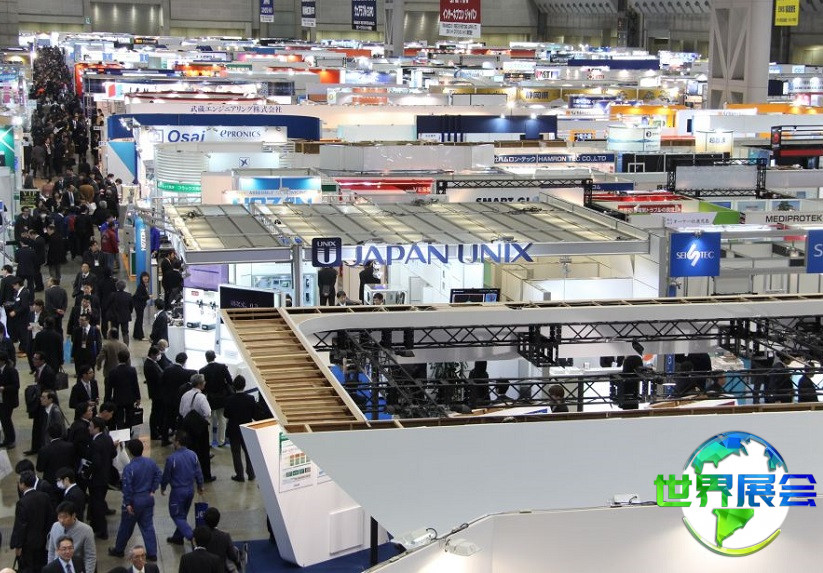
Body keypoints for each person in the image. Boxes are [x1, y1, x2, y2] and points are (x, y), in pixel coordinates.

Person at [109, 439, 162, 561]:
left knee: (126, 527)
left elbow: (127, 487)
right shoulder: (150, 463)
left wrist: (127, 503)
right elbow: (158, 474)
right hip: (147, 499)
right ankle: (152, 553)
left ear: (130, 451)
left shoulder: (129, 468)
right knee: (148, 526)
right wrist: (153, 489)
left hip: (134, 501)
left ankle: (119, 549)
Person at [161, 430, 204, 545]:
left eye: (174, 440)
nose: (172, 441)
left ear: (178, 442)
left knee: (176, 515)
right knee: (183, 514)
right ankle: (178, 537)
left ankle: (191, 536)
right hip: (190, 490)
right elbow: (198, 472)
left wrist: (163, 487)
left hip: (178, 492)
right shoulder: (193, 455)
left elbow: (166, 475)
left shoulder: (172, 458)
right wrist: (200, 486)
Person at [10, 470, 53, 573]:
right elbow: (50, 518)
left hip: (28, 545)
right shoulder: (45, 497)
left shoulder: (22, 502)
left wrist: (17, 545)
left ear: (22, 484)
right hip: (43, 541)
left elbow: (20, 526)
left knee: (28, 568)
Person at [180, 373, 214, 482]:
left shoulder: (185, 395)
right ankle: (206, 476)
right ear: (199, 384)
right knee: (203, 452)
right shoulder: (201, 397)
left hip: (187, 427)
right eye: (203, 382)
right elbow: (208, 412)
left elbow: (181, 411)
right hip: (200, 428)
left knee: (190, 450)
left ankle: (191, 474)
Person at [224, 375, 257, 482]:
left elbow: (226, 414)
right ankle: (251, 474)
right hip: (247, 429)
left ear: (234, 385)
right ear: (245, 385)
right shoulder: (250, 398)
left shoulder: (229, 399)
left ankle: (240, 475)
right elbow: (254, 414)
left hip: (234, 429)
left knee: (236, 453)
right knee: (248, 452)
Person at [46, 503, 96, 573]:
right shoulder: (55, 526)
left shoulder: (86, 530)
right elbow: (51, 551)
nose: (62, 520)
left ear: (73, 516)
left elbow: (90, 556)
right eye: (59, 517)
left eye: (65, 517)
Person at [88, 416, 116, 539]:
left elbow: (96, 463)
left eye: (91, 426)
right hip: (106, 475)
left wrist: (87, 472)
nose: (89, 428)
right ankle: (95, 525)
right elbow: (114, 453)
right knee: (99, 500)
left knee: (97, 504)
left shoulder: (95, 443)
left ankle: (102, 530)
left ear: (97, 428)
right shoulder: (108, 438)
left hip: (97, 478)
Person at [159, 352, 195, 446]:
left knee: (167, 419)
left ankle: (164, 439)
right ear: (185, 361)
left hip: (167, 399)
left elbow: (161, 382)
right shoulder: (184, 373)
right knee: (179, 420)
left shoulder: (167, 370)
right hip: (178, 400)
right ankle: (178, 440)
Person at [200, 350, 232, 447]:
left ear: (206, 358)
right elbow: (230, 381)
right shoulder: (222, 367)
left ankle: (209, 442)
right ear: (215, 357)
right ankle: (221, 441)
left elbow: (202, 387)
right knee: (222, 419)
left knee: (209, 420)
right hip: (222, 397)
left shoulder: (202, 370)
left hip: (209, 398)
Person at [105, 349, 140, 430]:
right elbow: (135, 385)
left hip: (118, 398)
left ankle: (120, 432)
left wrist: (107, 400)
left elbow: (109, 388)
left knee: (119, 417)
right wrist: (138, 397)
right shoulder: (132, 370)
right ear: (128, 359)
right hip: (130, 398)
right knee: (129, 417)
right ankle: (128, 431)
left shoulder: (113, 371)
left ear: (118, 358)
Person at [203, 507, 241, 572]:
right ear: (218, 520)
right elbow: (232, 556)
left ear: (204, 519)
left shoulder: (198, 535)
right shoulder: (225, 536)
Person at [144, 347, 164, 440]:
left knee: (158, 412)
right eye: (157, 354)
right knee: (155, 413)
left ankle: (159, 429)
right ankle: (154, 433)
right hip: (156, 393)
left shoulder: (153, 363)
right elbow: (157, 379)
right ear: (152, 354)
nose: (159, 356)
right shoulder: (149, 365)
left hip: (158, 392)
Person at [0, 350, 19, 447]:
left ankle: (11, 440)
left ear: (2, 361)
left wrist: (4, 388)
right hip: (1, 399)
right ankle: (7, 439)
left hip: (9, 400)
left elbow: (16, 386)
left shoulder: (11, 371)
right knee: (3, 420)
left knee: (6, 419)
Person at [132, 272, 151, 341]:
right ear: (142, 278)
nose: (146, 279)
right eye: (144, 278)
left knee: (138, 320)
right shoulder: (141, 286)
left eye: (147, 278)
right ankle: (140, 336)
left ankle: (136, 335)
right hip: (139, 305)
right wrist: (148, 296)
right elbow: (139, 297)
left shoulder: (143, 285)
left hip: (139, 305)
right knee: (139, 321)